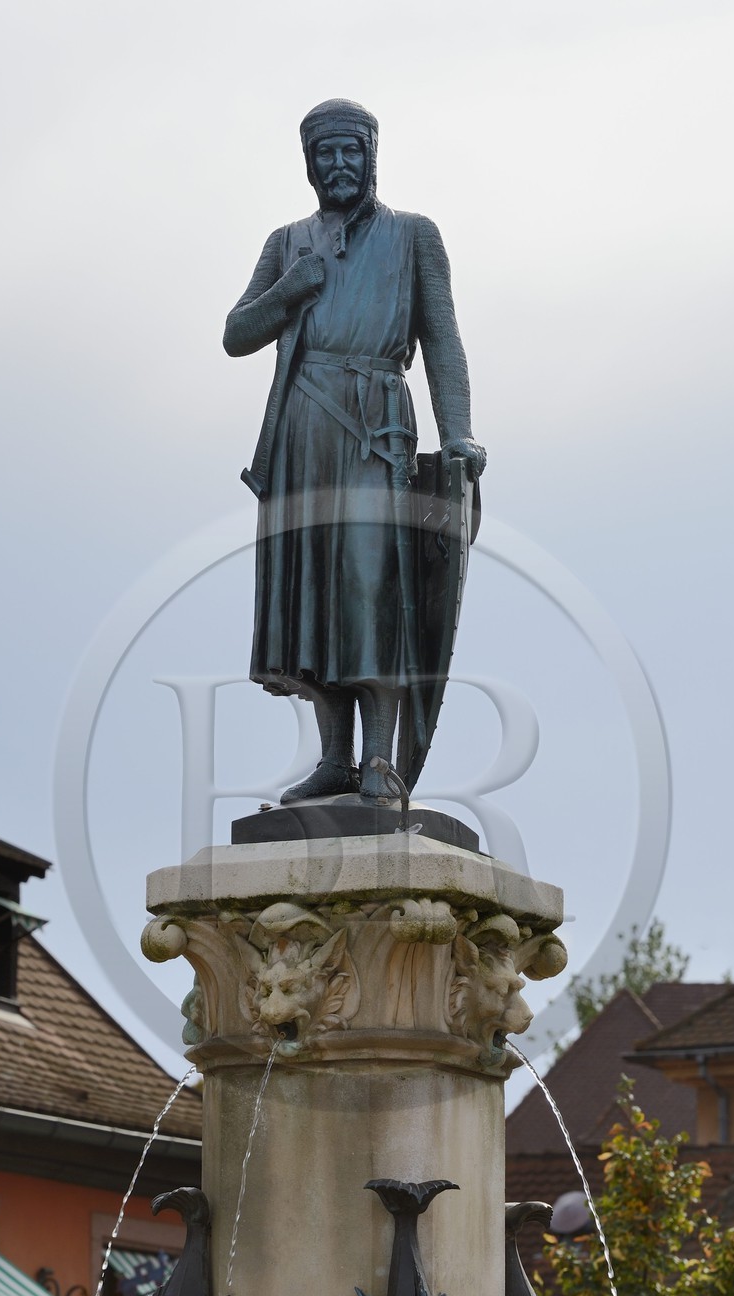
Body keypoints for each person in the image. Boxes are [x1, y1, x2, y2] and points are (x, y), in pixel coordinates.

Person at [224, 98, 485, 803]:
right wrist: (290, 290)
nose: (338, 165)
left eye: (350, 151)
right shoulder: (288, 242)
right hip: (304, 428)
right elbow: (237, 332)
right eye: (324, 154)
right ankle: (334, 759)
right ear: (308, 162)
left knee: (372, 587)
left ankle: (379, 760)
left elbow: (444, 344)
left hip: (376, 423)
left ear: (373, 154)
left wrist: (457, 432)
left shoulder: (413, 237)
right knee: (315, 592)